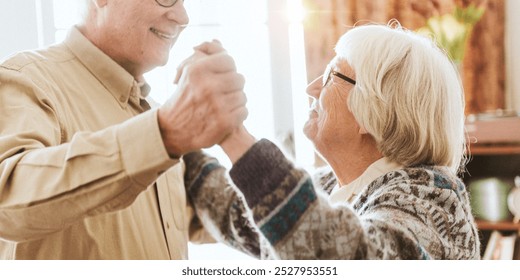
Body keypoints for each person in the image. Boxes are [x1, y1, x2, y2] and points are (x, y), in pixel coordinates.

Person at [184, 22, 481, 259]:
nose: (311, 89)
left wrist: (234, 136)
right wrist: (172, 127)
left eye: (331, 76)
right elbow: (241, 216)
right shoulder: (330, 186)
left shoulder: (432, 200)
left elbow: (344, 255)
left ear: (373, 108)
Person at [0, 0, 257, 259]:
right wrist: (164, 134)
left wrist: (236, 137)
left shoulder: (160, 117)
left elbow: (240, 223)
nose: (183, 16)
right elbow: (7, 204)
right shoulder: (26, 79)